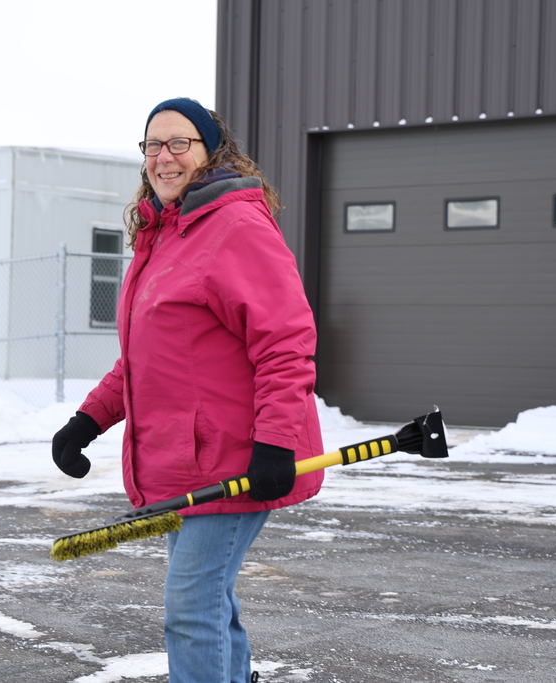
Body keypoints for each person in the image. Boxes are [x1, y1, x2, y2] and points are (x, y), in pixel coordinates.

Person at [51, 97, 324, 683]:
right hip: (185, 460)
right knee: (208, 601)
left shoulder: (235, 225)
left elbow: (286, 343)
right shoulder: (163, 236)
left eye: (180, 143)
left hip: (236, 455)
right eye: (153, 144)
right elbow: (146, 360)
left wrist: (276, 442)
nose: (164, 157)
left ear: (209, 152)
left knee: (191, 607)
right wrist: (88, 421)